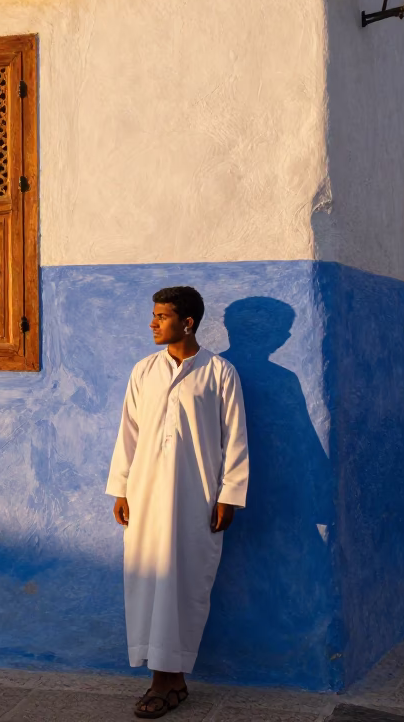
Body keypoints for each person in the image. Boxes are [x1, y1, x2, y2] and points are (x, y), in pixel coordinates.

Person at [106, 286, 249, 719]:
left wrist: (230, 495)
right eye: (153, 315)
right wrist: (122, 487)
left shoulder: (220, 373)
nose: (152, 323)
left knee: (184, 585)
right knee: (148, 581)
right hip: (146, 497)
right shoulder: (144, 371)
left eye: (161, 316)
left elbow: (235, 438)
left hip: (194, 498)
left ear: (187, 322)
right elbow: (128, 433)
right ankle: (167, 682)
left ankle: (166, 682)